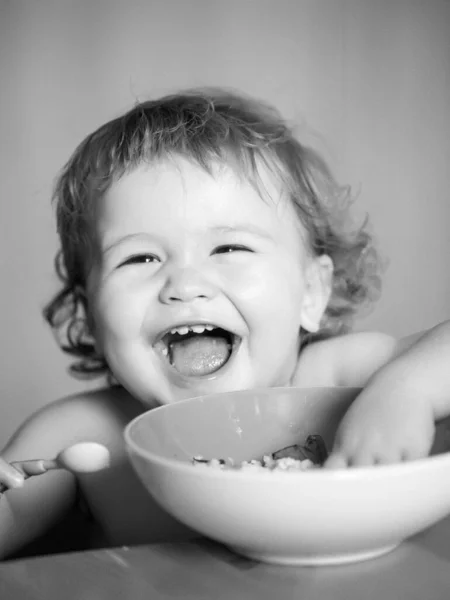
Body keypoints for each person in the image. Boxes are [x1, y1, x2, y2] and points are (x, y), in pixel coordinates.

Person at [1, 88, 449, 560]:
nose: (185, 283)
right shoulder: (82, 437)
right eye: (140, 257)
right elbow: (12, 518)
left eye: (228, 249)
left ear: (312, 291)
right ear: (90, 313)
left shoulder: (338, 381)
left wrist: (405, 393)